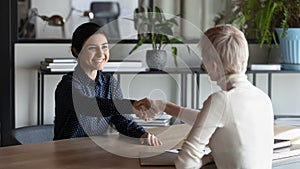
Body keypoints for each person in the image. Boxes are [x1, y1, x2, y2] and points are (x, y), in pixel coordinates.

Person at [135, 25, 274, 168]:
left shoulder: (221, 100)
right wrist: (163, 106)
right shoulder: (263, 98)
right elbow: (213, 120)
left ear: (214, 66)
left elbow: (185, 163)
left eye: (204, 60)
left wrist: (203, 160)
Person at [54, 22, 162, 146]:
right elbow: (89, 105)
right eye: (92, 48)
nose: (101, 54)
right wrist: (132, 105)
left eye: (104, 47)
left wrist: (142, 134)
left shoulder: (110, 83)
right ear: (76, 51)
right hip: (67, 155)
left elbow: (122, 121)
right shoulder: (67, 85)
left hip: (98, 153)